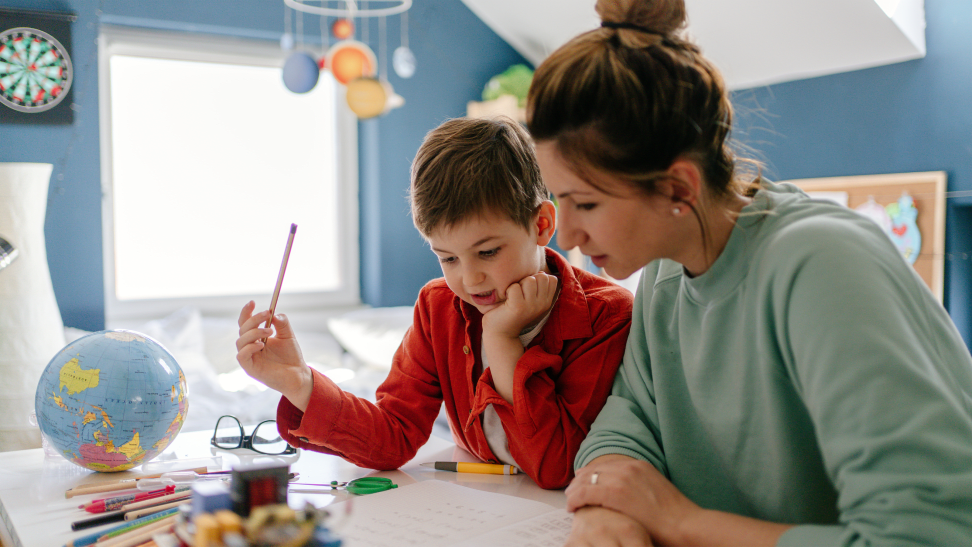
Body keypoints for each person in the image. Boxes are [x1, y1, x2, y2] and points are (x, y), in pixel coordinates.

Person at [526, 0, 972, 544]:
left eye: (586, 204)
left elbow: (928, 535)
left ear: (678, 188)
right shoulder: (666, 275)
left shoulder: (822, 268)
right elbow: (628, 419)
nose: (565, 235)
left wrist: (677, 521)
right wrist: (604, 508)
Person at [235, 117, 633, 489]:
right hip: (477, 508)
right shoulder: (438, 306)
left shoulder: (607, 315)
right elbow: (394, 436)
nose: (469, 279)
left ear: (542, 224)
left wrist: (501, 341)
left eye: (489, 252)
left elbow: (556, 467)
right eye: (448, 258)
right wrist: (300, 383)